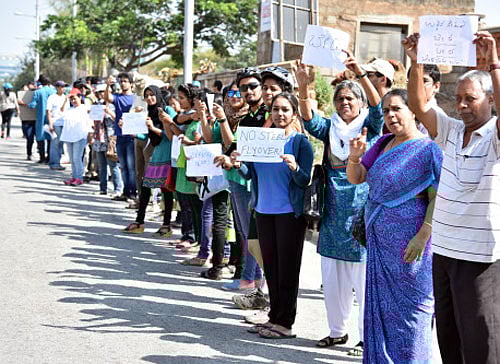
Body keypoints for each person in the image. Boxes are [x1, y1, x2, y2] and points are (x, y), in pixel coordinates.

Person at [403, 31, 500, 364]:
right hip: (444, 250)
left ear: (490, 100)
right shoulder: (452, 130)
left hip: (480, 257)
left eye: (469, 99)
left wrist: (495, 65)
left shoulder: (495, 137)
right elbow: (418, 105)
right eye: (457, 98)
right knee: (448, 334)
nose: (460, 105)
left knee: (481, 340)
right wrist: (416, 62)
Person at [294, 56, 384, 356]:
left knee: (363, 280)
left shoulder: (370, 127)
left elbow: (378, 106)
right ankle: (337, 331)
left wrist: (360, 74)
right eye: (340, 99)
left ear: (359, 102)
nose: (345, 102)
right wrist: (304, 87)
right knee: (332, 279)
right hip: (332, 213)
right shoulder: (329, 128)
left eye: (350, 98)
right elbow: (308, 118)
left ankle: (365, 337)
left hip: (362, 211)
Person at [347, 88, 443, 363]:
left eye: (396, 108)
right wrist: (355, 157)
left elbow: (439, 195)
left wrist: (423, 234)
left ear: (413, 110)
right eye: (386, 111)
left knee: (414, 312)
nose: (390, 115)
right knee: (381, 310)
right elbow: (357, 178)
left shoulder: (428, 148)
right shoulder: (381, 143)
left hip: (412, 244)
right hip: (379, 244)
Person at [234, 92, 313, 339]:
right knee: (272, 269)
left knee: (288, 270)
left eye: (285, 110)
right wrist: (238, 164)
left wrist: (295, 167)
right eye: (276, 109)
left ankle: (286, 323)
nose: (280, 114)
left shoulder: (301, 143)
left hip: (289, 214)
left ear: (293, 114)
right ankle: (274, 317)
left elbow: (305, 180)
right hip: (263, 211)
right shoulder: (263, 139)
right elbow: (251, 174)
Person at [123, 85, 177, 235]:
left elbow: (172, 134)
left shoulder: (167, 111)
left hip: (167, 153)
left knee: (166, 190)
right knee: (146, 186)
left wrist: (153, 128)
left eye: (152, 94)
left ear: (158, 95)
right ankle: (139, 221)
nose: (149, 98)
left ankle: (166, 225)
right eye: (146, 96)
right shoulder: (151, 112)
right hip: (157, 152)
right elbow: (147, 136)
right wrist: (133, 133)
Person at [104, 72, 136, 202]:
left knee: (131, 167)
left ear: (131, 84)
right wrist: (107, 85)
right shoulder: (117, 97)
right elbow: (108, 98)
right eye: (121, 81)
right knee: (122, 166)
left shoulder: (136, 98)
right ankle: (125, 191)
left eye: (125, 81)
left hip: (132, 136)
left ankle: (133, 193)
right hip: (120, 135)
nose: (123, 83)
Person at [91, 83, 123, 196]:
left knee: (113, 165)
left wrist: (108, 111)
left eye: (102, 92)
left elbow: (118, 119)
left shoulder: (115, 105)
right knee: (101, 165)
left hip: (110, 138)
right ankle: (102, 188)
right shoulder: (97, 104)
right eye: (99, 93)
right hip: (99, 138)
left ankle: (118, 189)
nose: (101, 95)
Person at [60, 88, 91, 186]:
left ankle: (79, 177)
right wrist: (66, 99)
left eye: (75, 98)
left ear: (80, 98)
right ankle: (74, 177)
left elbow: (89, 121)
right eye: (71, 99)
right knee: (72, 159)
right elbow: (62, 111)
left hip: (80, 136)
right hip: (69, 136)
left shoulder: (84, 108)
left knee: (77, 158)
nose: (73, 101)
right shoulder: (70, 109)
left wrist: (90, 134)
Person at [27, 75, 55, 163]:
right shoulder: (53, 92)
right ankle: (49, 157)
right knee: (51, 137)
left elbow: (32, 105)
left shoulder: (38, 92)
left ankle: (42, 157)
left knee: (40, 137)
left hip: (41, 117)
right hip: (52, 117)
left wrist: (26, 104)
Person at [46, 80, 68, 170]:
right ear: (57, 88)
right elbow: (48, 111)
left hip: (64, 122)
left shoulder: (65, 97)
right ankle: (54, 163)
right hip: (56, 122)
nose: (63, 89)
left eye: (64, 87)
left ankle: (57, 162)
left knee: (60, 143)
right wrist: (51, 124)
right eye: (62, 87)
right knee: (56, 142)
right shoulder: (52, 97)